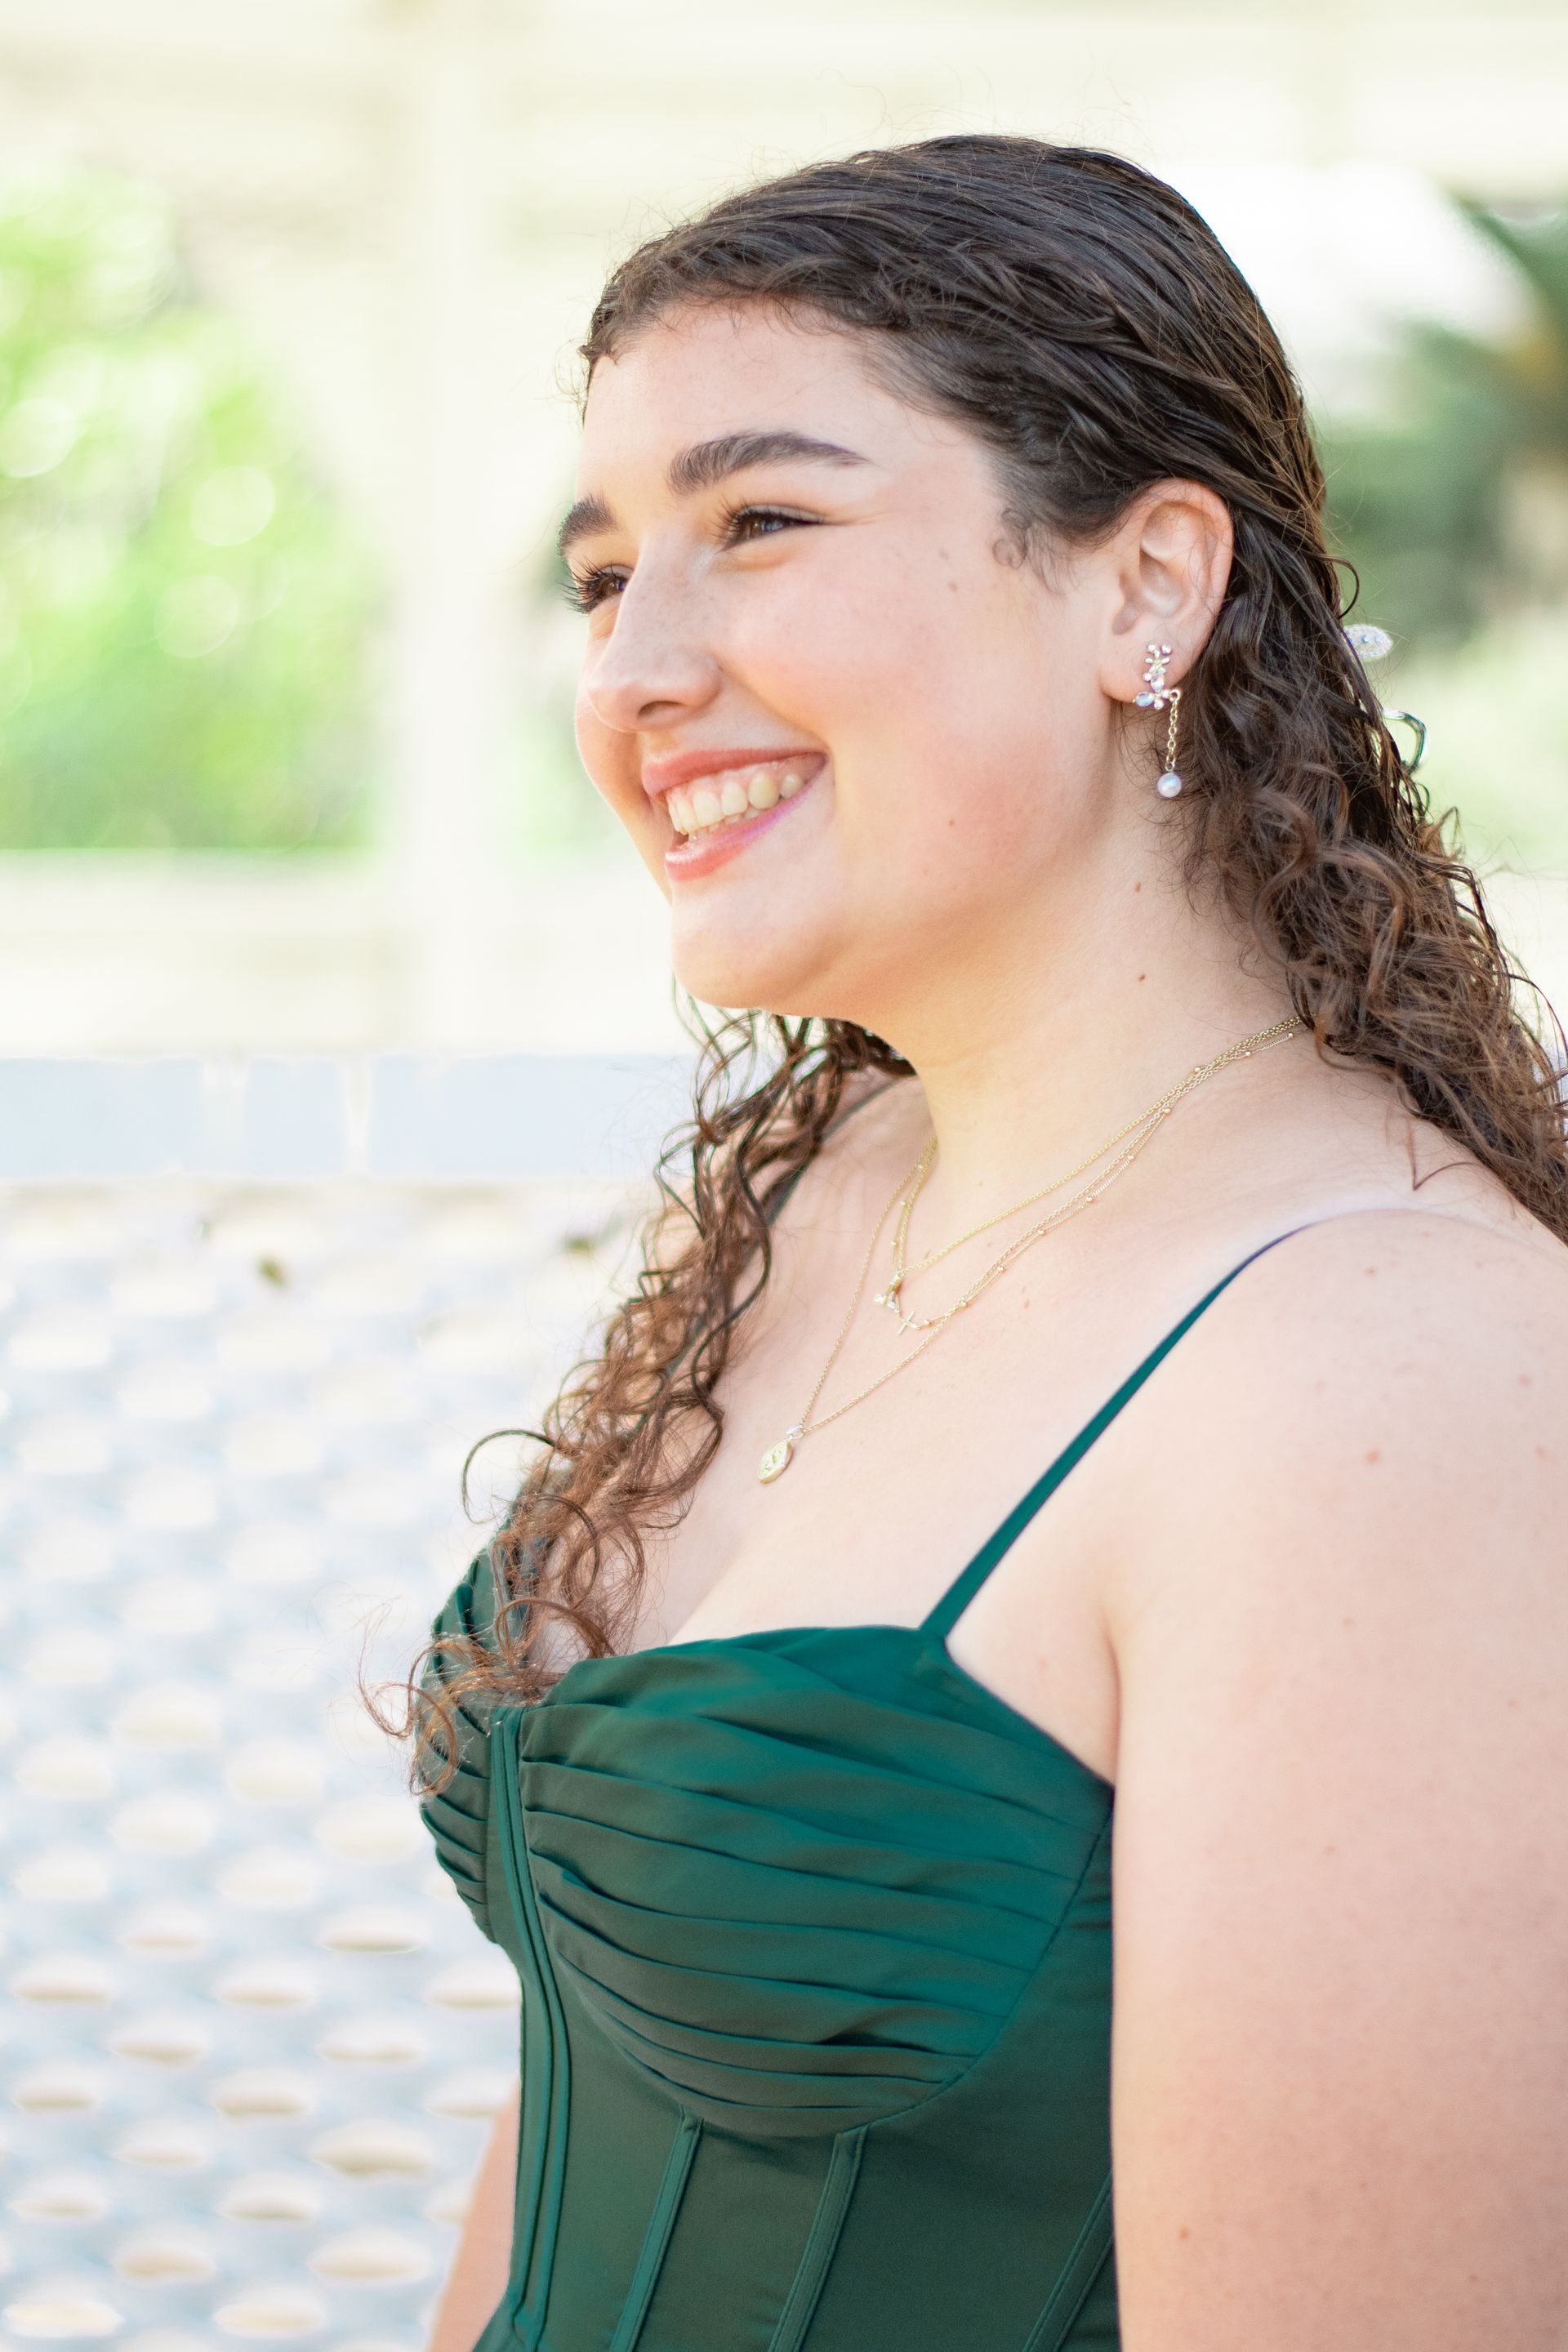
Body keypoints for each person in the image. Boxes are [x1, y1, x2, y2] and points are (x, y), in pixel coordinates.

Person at [412, 138, 1568, 2351]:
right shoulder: (830, 1205)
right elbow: (607, 2082)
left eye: (761, 523)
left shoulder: (1401, 1383)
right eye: (597, 577)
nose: (637, 668)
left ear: (1148, 587)